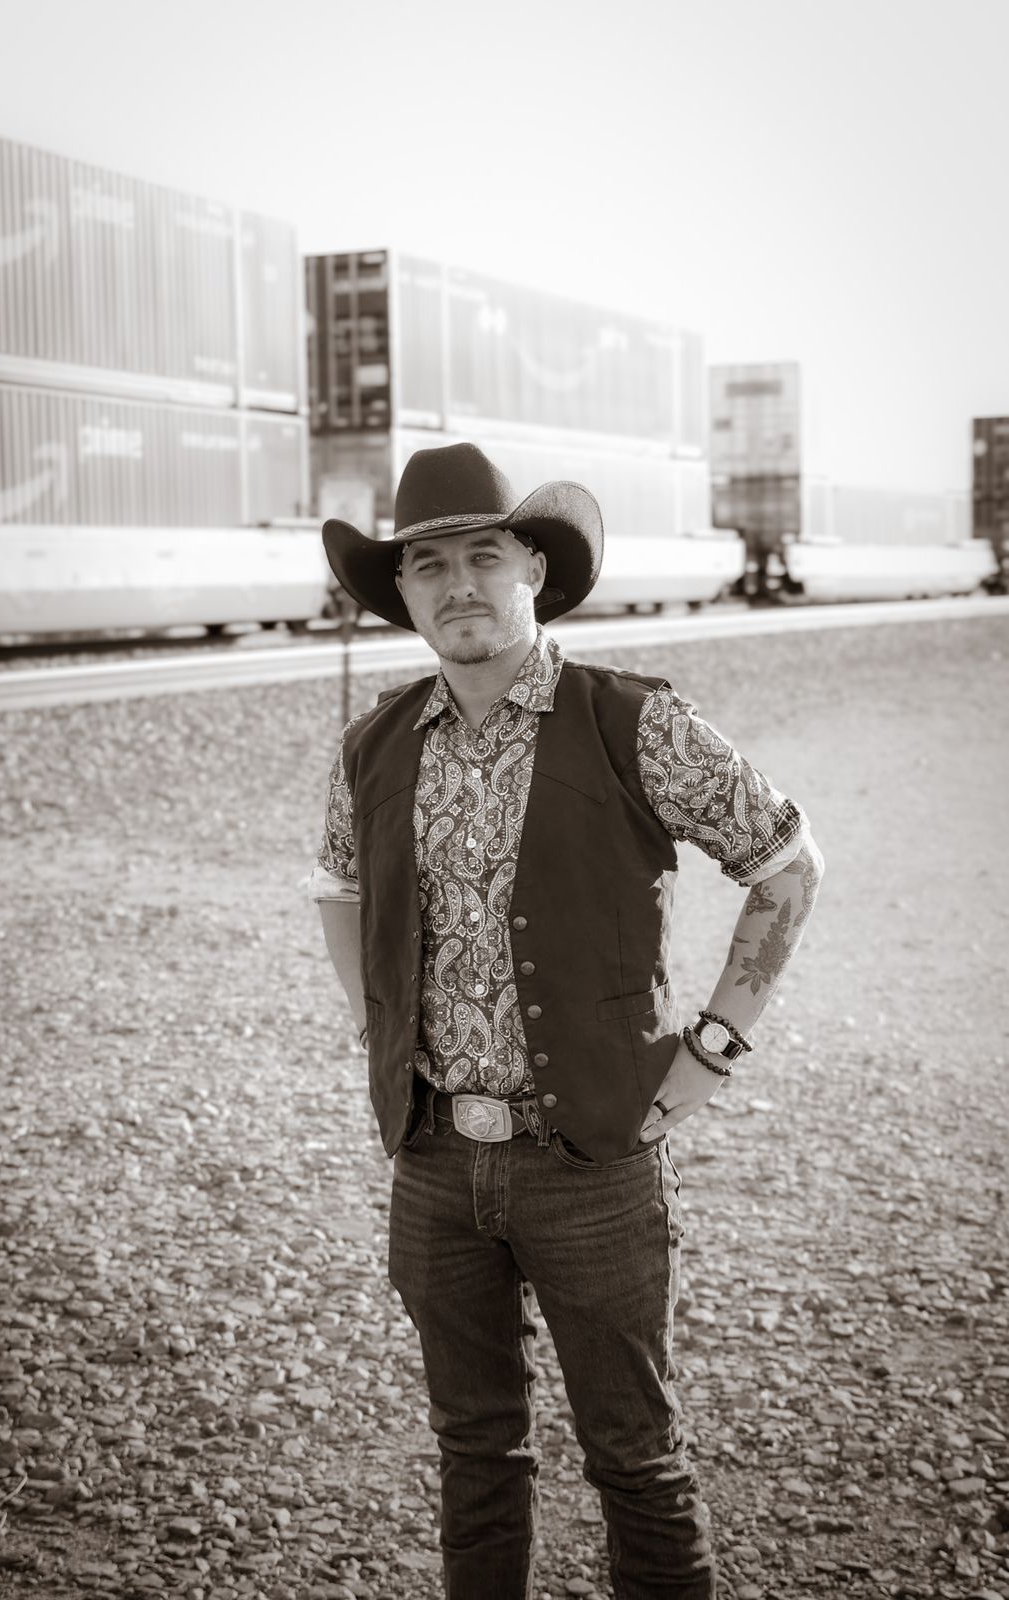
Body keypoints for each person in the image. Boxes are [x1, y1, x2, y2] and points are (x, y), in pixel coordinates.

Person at [309, 442, 824, 1600]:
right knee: (472, 1451)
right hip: (433, 1159)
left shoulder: (633, 721)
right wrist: (372, 1026)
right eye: (427, 565)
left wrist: (713, 1048)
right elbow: (335, 888)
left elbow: (788, 866)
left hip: (592, 1161)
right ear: (403, 592)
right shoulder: (372, 744)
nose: (458, 585)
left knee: (634, 1457)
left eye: (483, 556)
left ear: (533, 568)